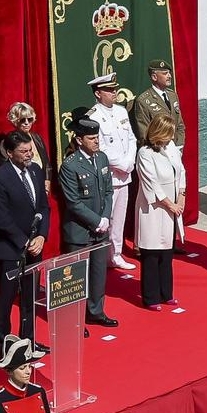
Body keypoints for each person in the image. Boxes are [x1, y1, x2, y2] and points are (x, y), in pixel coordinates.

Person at [0, 131, 54, 346]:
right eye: (23, 151)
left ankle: (29, 340)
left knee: (30, 297)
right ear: (10, 153)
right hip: (12, 248)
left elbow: (44, 207)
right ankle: (5, 345)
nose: (28, 155)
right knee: (7, 300)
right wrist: (24, 242)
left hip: (36, 246)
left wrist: (42, 236)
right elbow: (1, 218)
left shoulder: (35, 170)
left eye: (30, 151)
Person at [58, 114, 119, 327]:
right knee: (76, 278)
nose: (96, 141)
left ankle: (95, 311)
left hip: (100, 228)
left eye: (97, 137)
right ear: (79, 140)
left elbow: (109, 191)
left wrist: (105, 217)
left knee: (98, 273)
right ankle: (75, 319)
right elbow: (73, 202)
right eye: (91, 138)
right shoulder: (70, 165)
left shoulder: (101, 158)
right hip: (80, 231)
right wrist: (96, 220)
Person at [84, 76, 140, 271]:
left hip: (125, 173)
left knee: (120, 217)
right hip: (109, 175)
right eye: (109, 90)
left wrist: (129, 161)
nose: (114, 93)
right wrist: (121, 164)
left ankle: (116, 254)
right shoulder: (93, 116)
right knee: (105, 218)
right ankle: (102, 255)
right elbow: (99, 148)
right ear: (98, 93)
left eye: (114, 89)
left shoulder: (121, 111)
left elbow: (132, 139)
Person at [138, 112, 191, 308]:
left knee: (167, 251)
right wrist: (170, 204)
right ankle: (151, 296)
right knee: (152, 251)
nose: (172, 137)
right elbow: (151, 183)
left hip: (172, 206)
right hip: (154, 208)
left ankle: (165, 292)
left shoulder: (170, 148)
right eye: (169, 133)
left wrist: (182, 194)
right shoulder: (145, 153)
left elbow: (181, 170)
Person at [129, 59, 186, 163]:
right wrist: (160, 153)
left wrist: (179, 147)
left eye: (169, 73)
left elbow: (180, 125)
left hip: (175, 150)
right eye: (165, 73)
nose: (169, 76)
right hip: (158, 154)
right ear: (154, 77)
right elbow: (144, 134)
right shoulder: (143, 101)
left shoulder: (172, 95)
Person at [0, 101, 54, 174]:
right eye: (23, 120)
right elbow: (6, 168)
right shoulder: (6, 142)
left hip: (40, 180)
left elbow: (46, 162)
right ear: (15, 121)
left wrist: (47, 179)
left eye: (30, 119)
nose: (27, 123)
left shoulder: (37, 137)